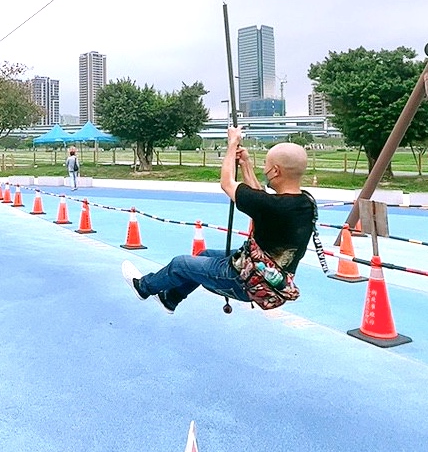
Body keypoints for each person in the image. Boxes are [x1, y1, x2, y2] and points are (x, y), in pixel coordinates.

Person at [123, 126, 315, 313]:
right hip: (270, 278)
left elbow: (227, 183)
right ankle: (171, 298)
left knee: (180, 264)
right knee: (204, 254)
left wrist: (232, 144)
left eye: (265, 165)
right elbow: (259, 198)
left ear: (275, 171)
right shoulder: (306, 203)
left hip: (244, 280)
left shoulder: (272, 206)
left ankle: (143, 287)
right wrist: (246, 164)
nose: (264, 170)